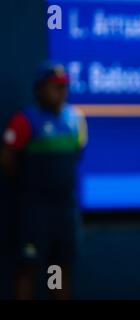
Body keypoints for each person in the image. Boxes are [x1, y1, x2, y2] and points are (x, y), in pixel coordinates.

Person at [0, 62, 87, 299]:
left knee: (58, 270)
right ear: (39, 89)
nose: (60, 92)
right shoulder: (24, 121)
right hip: (34, 212)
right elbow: (8, 160)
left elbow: (78, 153)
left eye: (64, 87)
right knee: (28, 269)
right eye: (54, 87)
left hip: (65, 212)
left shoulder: (75, 119)